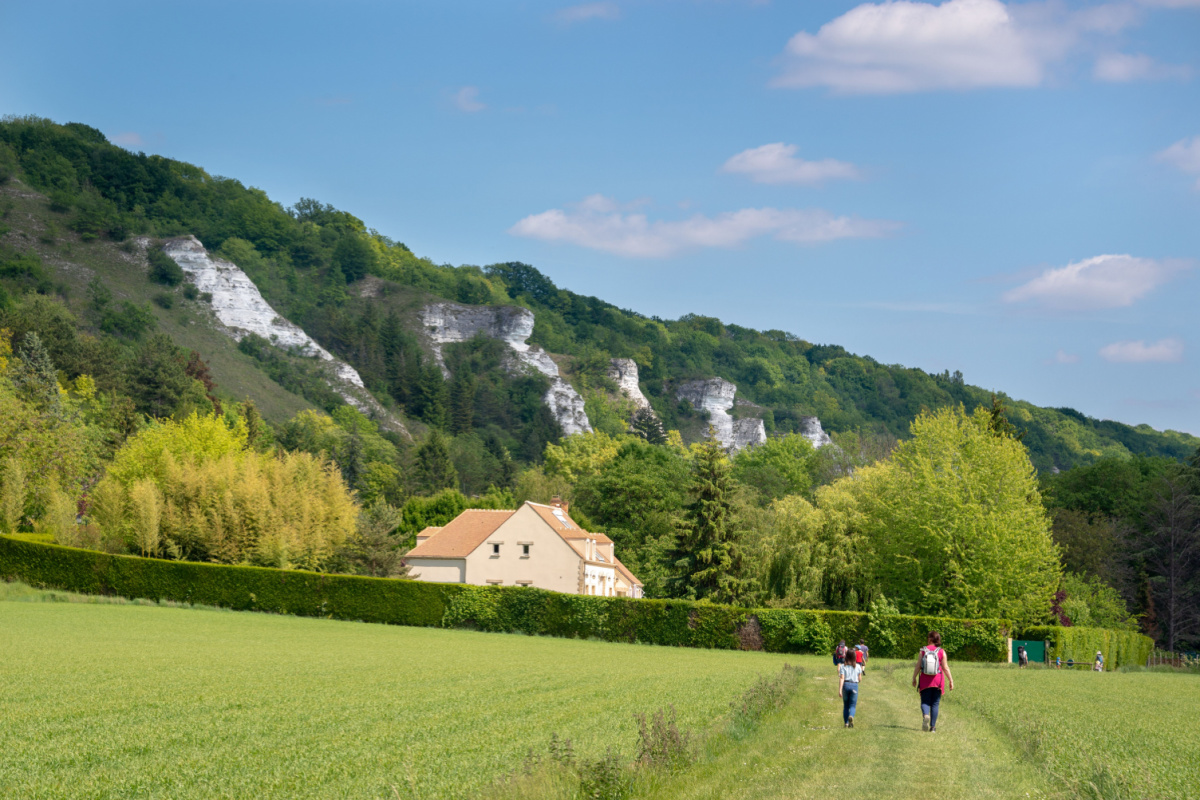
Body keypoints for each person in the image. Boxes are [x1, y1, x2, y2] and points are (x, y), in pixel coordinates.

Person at [912, 630, 954, 733]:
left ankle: (926, 715)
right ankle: (933, 728)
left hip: (925, 680)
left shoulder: (923, 651)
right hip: (938, 681)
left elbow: (918, 666)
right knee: (935, 703)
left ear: (930, 639)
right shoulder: (941, 651)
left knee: (925, 701)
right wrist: (951, 680)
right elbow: (945, 667)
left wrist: (914, 677)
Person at [837, 652, 864, 728]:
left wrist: (840, 690)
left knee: (846, 706)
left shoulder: (843, 666)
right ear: (854, 657)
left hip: (845, 685)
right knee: (852, 705)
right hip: (854, 685)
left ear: (846, 656)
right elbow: (859, 679)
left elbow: (842, 678)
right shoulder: (858, 666)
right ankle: (851, 716)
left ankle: (846, 723)